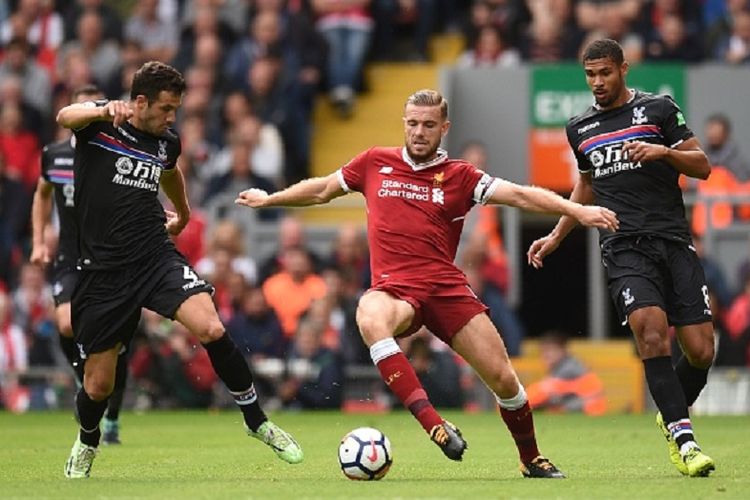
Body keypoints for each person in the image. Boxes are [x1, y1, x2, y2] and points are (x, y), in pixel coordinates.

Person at [236, 88, 621, 478]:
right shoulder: (374, 162)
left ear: (444, 128)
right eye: (413, 123)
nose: (419, 132)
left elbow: (520, 195)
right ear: (405, 123)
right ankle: (432, 424)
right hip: (394, 290)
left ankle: (530, 458)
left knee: (504, 380)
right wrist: (270, 200)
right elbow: (321, 189)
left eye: (429, 125)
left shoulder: (460, 176)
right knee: (369, 315)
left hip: (444, 288)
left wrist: (577, 209)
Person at [56, 61, 303, 479]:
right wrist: (100, 109)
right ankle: (87, 440)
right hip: (102, 273)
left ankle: (257, 421)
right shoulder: (99, 128)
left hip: (154, 257)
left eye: (176, 109)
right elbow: (65, 116)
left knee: (211, 326)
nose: (172, 117)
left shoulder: (167, 142)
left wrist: (184, 214)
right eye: (166, 108)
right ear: (140, 102)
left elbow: (170, 174)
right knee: (98, 386)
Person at [527, 38, 716, 477]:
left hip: (672, 240)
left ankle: (670, 410)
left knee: (702, 351)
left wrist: (665, 153)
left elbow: (703, 165)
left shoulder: (660, 111)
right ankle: (683, 439)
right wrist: (558, 233)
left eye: (604, 73)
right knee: (650, 332)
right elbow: (586, 186)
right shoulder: (579, 129)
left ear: (623, 69)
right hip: (623, 244)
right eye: (590, 75)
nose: (597, 82)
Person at [30, 85, 128, 445]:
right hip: (71, 256)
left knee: (117, 345)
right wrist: (40, 240)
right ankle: (82, 382)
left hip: (111, 256)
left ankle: (113, 418)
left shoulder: (112, 153)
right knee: (67, 323)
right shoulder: (53, 156)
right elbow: (41, 195)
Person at [526, 330, 606, 416]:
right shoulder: (565, 365)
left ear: (563, 350)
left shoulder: (569, 368)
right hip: (584, 407)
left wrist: (520, 405)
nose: (546, 355)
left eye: (550, 350)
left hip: (588, 410)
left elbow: (542, 392)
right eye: (543, 351)